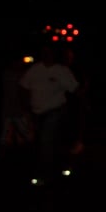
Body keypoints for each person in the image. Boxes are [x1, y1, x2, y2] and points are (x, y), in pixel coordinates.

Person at [19, 44, 79, 186]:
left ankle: (44, 175)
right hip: (36, 113)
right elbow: (23, 87)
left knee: (47, 141)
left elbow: (75, 89)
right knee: (44, 143)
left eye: (49, 52)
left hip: (54, 112)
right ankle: (59, 166)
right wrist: (25, 107)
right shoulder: (34, 70)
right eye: (44, 52)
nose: (46, 55)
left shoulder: (61, 70)